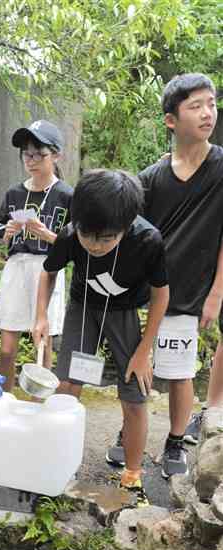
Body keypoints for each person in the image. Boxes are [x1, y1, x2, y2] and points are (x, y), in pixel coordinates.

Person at [108, 73, 223, 476]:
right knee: (135, 365)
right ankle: (130, 431)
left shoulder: (222, 168)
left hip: (190, 291)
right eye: (196, 106)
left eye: (210, 103)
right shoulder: (151, 178)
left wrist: (217, 293)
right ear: (171, 120)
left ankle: (175, 442)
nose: (208, 112)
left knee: (179, 371)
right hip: (146, 290)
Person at [34, 170, 169, 501]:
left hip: (124, 312)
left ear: (125, 226)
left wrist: (144, 351)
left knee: (134, 391)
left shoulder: (147, 240)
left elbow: (160, 294)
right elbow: (47, 274)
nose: (94, 246)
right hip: (83, 307)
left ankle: (133, 472)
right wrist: (40, 316)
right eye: (88, 235)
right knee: (68, 384)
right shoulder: (70, 235)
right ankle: (54, 457)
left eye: (106, 238)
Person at [0, 120, 72, 390]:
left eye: (40, 153)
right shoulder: (15, 192)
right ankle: (3, 400)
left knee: (43, 341)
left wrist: (49, 236)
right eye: (27, 153)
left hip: (48, 268)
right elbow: (0, 228)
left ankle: (42, 401)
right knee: (7, 347)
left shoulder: (66, 195)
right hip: (17, 266)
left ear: (56, 155)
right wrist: (9, 231)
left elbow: (75, 244)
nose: (32, 160)